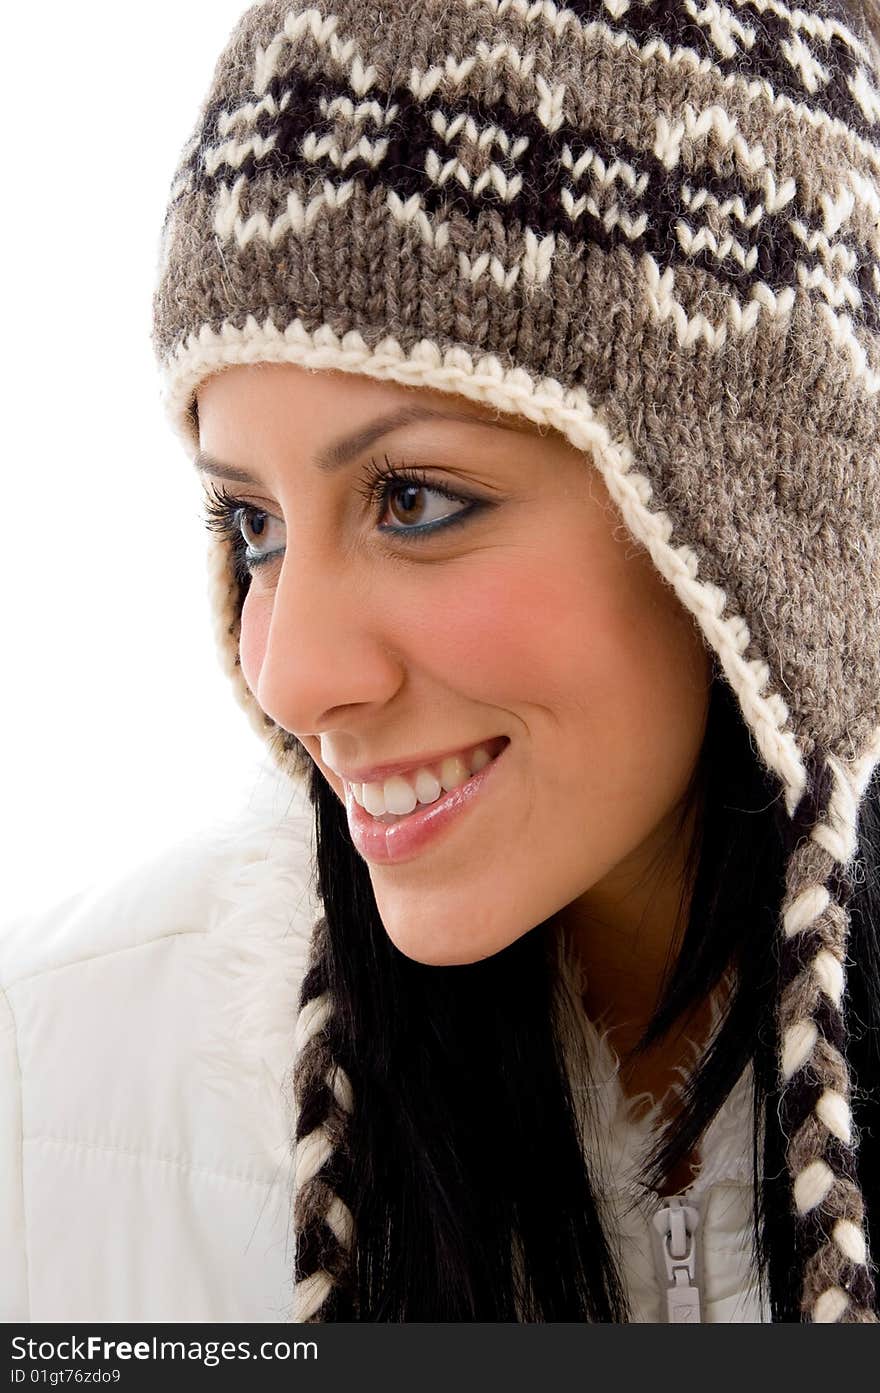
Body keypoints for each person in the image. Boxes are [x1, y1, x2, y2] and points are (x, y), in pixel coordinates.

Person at [3, 0, 880, 1324]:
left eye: (412, 499)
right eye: (254, 523)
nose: (291, 676)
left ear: (759, 519)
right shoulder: (51, 1089)